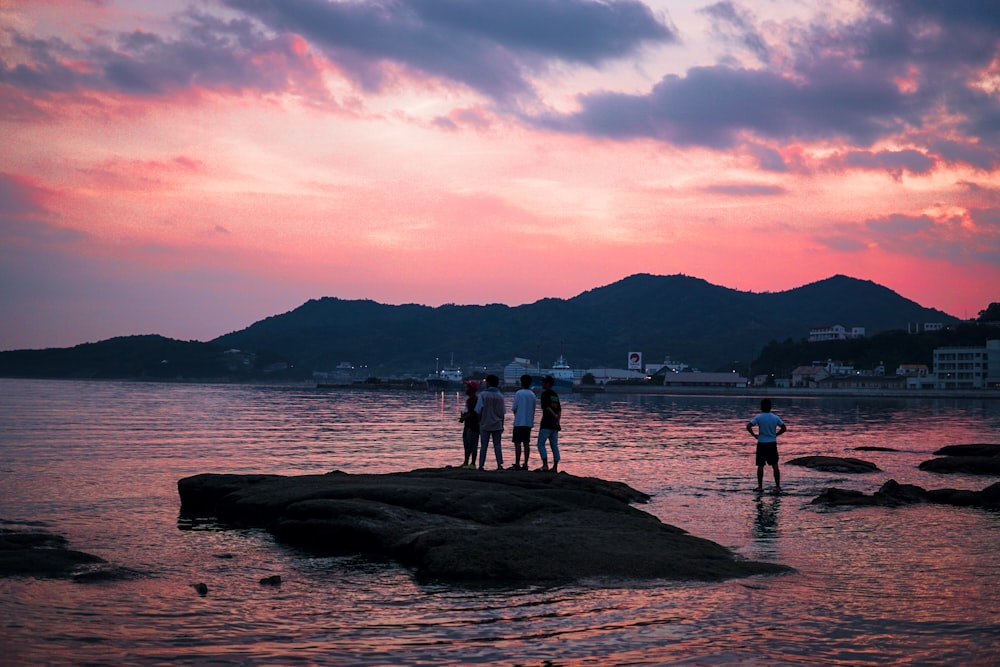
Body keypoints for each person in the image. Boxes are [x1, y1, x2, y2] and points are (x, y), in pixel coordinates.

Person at [746, 398, 787, 492]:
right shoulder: (775, 417)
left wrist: (754, 435)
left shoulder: (759, 417)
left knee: (760, 465)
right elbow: (784, 428)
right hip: (772, 443)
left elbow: (748, 426)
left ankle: (760, 487)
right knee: (775, 465)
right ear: (770, 407)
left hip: (761, 443)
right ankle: (778, 487)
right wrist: (776, 434)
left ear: (761, 407)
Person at [475, 374, 505, 470]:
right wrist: (502, 424)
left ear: (488, 383)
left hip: (485, 423)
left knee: (484, 446)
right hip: (497, 424)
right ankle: (499, 464)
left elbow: (479, 409)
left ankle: (481, 465)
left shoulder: (483, 395)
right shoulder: (500, 396)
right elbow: (502, 413)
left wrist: (478, 421)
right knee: (497, 445)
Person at [535, 375, 562, 472]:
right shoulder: (555, 395)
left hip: (546, 423)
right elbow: (559, 410)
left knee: (540, 444)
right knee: (554, 445)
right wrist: (557, 421)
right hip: (555, 425)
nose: (542, 384)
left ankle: (545, 465)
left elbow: (546, 407)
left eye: (544, 382)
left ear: (548, 384)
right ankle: (555, 467)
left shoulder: (545, 394)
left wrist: (554, 415)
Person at [510, 373, 536, 470]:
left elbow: (514, 408)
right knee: (526, 443)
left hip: (519, 422)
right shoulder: (532, 394)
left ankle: (517, 463)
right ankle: (525, 463)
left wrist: (516, 415)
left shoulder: (519, 393)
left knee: (517, 443)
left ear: (521, 382)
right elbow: (533, 409)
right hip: (528, 422)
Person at [458, 380, 479, 468]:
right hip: (468, 425)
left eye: (467, 387)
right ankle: (466, 463)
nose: (465, 389)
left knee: (472, 444)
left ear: (471, 389)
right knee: (467, 444)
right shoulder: (470, 399)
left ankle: (472, 463)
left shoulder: (473, 399)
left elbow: (473, 413)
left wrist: (463, 418)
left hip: (473, 426)